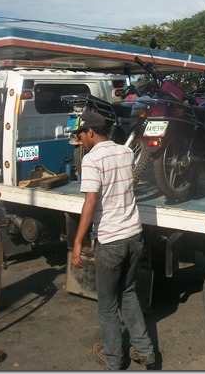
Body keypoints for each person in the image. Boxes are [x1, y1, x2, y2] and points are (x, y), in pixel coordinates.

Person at [70, 112, 156, 370]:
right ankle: (145, 351)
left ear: (91, 132)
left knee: (107, 306)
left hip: (111, 239)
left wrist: (78, 240)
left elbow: (91, 200)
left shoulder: (91, 159)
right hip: (134, 235)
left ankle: (114, 361)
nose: (80, 141)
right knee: (128, 293)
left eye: (81, 135)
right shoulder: (125, 152)